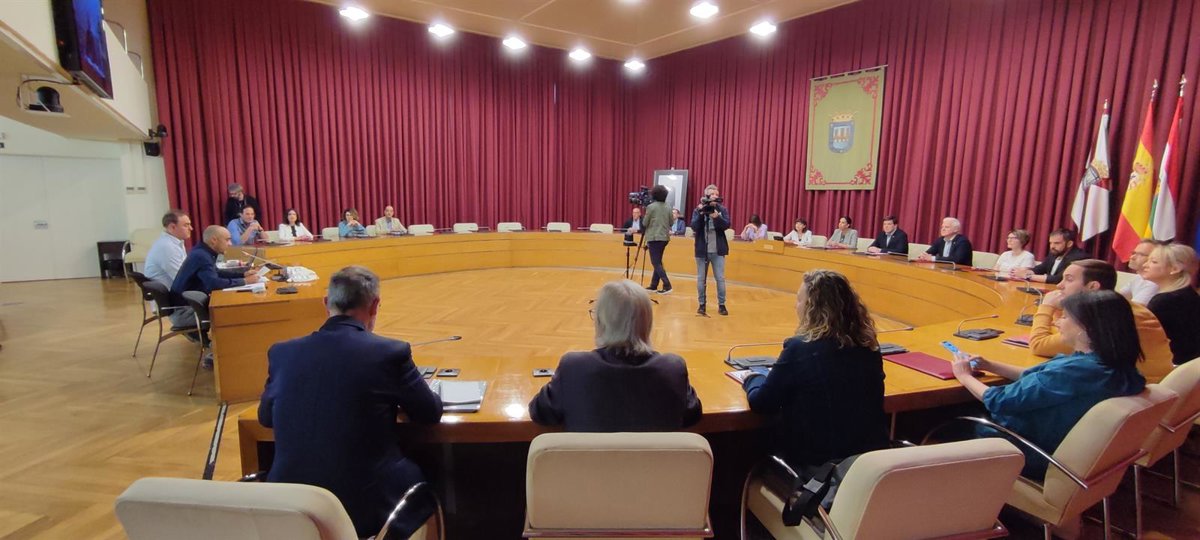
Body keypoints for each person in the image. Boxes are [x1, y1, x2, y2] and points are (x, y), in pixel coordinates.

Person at [259, 266, 442, 538]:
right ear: (375, 305)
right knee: (429, 473)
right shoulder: (389, 353)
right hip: (365, 508)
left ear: (326, 303)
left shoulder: (282, 353)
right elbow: (429, 412)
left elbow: (265, 418)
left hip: (290, 506)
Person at [949, 290, 1146, 480]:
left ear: (1086, 329)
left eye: (1065, 317)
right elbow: (1039, 378)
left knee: (943, 415)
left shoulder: (1074, 372)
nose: (1056, 322)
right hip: (1063, 448)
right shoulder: (1113, 366)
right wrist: (990, 365)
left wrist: (964, 376)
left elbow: (999, 400)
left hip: (1027, 451)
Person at [741, 269, 888, 472]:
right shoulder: (869, 345)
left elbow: (762, 403)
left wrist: (753, 377)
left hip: (818, 469)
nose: (796, 305)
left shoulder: (799, 348)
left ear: (813, 307)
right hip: (870, 466)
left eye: (799, 300)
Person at [528, 279, 701, 431]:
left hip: (591, 460)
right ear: (647, 322)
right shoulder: (672, 368)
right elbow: (692, 414)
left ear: (601, 322)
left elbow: (539, 412)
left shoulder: (574, 367)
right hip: (656, 460)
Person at [1029, 259, 1173, 383]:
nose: (1060, 285)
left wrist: (1047, 306)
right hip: (1151, 389)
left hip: (1130, 393)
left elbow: (1039, 346)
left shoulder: (1101, 316)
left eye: (1069, 279)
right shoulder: (1124, 305)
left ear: (1093, 287)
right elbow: (1062, 332)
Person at [1143, 243, 1200, 365]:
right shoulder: (1189, 294)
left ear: (1174, 269)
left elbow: (1145, 339)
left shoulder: (1164, 301)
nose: (1145, 265)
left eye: (1153, 262)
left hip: (1172, 366)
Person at [171, 226, 262, 300]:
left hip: (189, 303)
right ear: (214, 240)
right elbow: (214, 283)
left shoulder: (203, 251)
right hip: (187, 308)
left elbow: (216, 272)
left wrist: (243, 275)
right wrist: (245, 281)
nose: (230, 244)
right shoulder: (202, 256)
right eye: (227, 240)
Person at [144, 209, 194, 327]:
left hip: (177, 299)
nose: (191, 228)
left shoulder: (173, 243)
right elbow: (183, 279)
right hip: (177, 306)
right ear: (172, 227)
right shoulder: (167, 247)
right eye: (186, 225)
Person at [691, 184, 731, 316]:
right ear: (706, 196)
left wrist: (716, 217)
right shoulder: (698, 209)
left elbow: (726, 225)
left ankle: (722, 305)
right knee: (701, 279)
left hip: (718, 250)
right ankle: (702, 305)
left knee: (720, 278)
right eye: (712, 194)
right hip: (702, 250)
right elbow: (694, 226)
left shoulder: (722, 209)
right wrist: (701, 214)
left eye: (716, 194)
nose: (715, 196)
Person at [1014, 228, 1087, 284]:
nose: (1052, 246)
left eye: (1056, 243)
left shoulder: (1079, 258)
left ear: (1069, 244)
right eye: (1050, 243)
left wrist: (1028, 276)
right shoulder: (1054, 253)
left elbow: (1059, 279)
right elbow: (1041, 268)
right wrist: (1025, 272)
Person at [642, 186, 673, 294]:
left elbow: (645, 223)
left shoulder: (651, 207)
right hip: (664, 237)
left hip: (654, 237)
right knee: (658, 261)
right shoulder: (668, 206)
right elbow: (671, 222)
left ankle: (667, 285)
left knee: (655, 262)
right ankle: (654, 285)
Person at [1120, 239, 1162, 305]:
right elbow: (1119, 297)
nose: (1132, 257)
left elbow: (1136, 309)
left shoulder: (1153, 283)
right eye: (1133, 253)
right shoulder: (1138, 277)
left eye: (1141, 254)